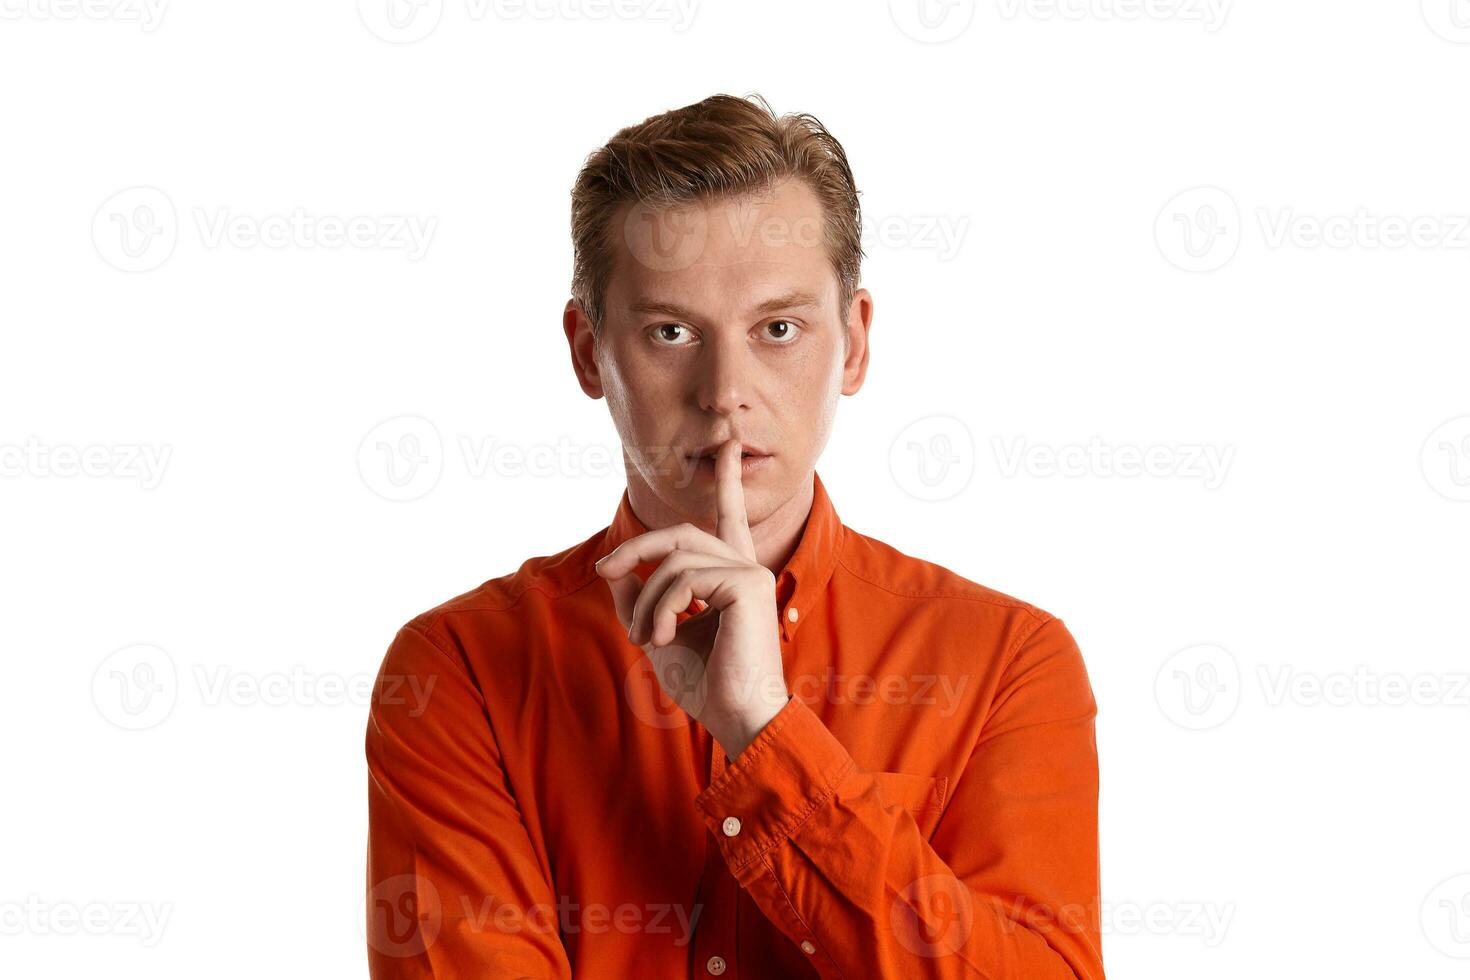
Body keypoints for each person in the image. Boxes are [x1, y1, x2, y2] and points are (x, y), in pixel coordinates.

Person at [365, 92, 1103, 979]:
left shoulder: (1008, 662)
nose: (725, 391)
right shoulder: (463, 670)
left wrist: (763, 729)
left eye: (779, 329)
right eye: (670, 332)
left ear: (855, 343)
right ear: (587, 352)